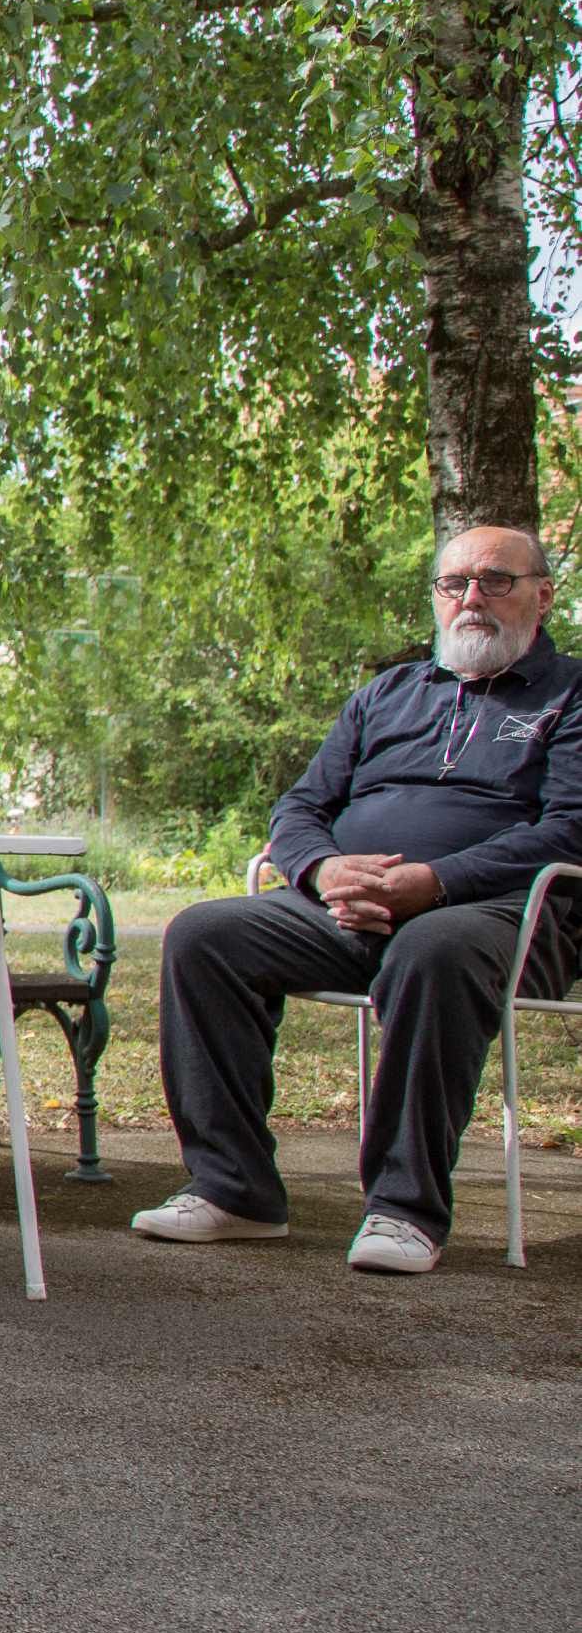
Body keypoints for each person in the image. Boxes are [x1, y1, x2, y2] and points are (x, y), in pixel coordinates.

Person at [136, 526, 582, 1276]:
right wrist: (324, 873)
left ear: (541, 595)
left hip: (509, 917)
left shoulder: (569, 695)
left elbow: (568, 827)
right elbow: (300, 806)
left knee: (430, 945)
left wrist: (434, 884)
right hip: (346, 911)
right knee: (203, 935)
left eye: (494, 581)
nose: (470, 598)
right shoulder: (386, 694)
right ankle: (233, 1191)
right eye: (453, 584)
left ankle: (404, 1210)